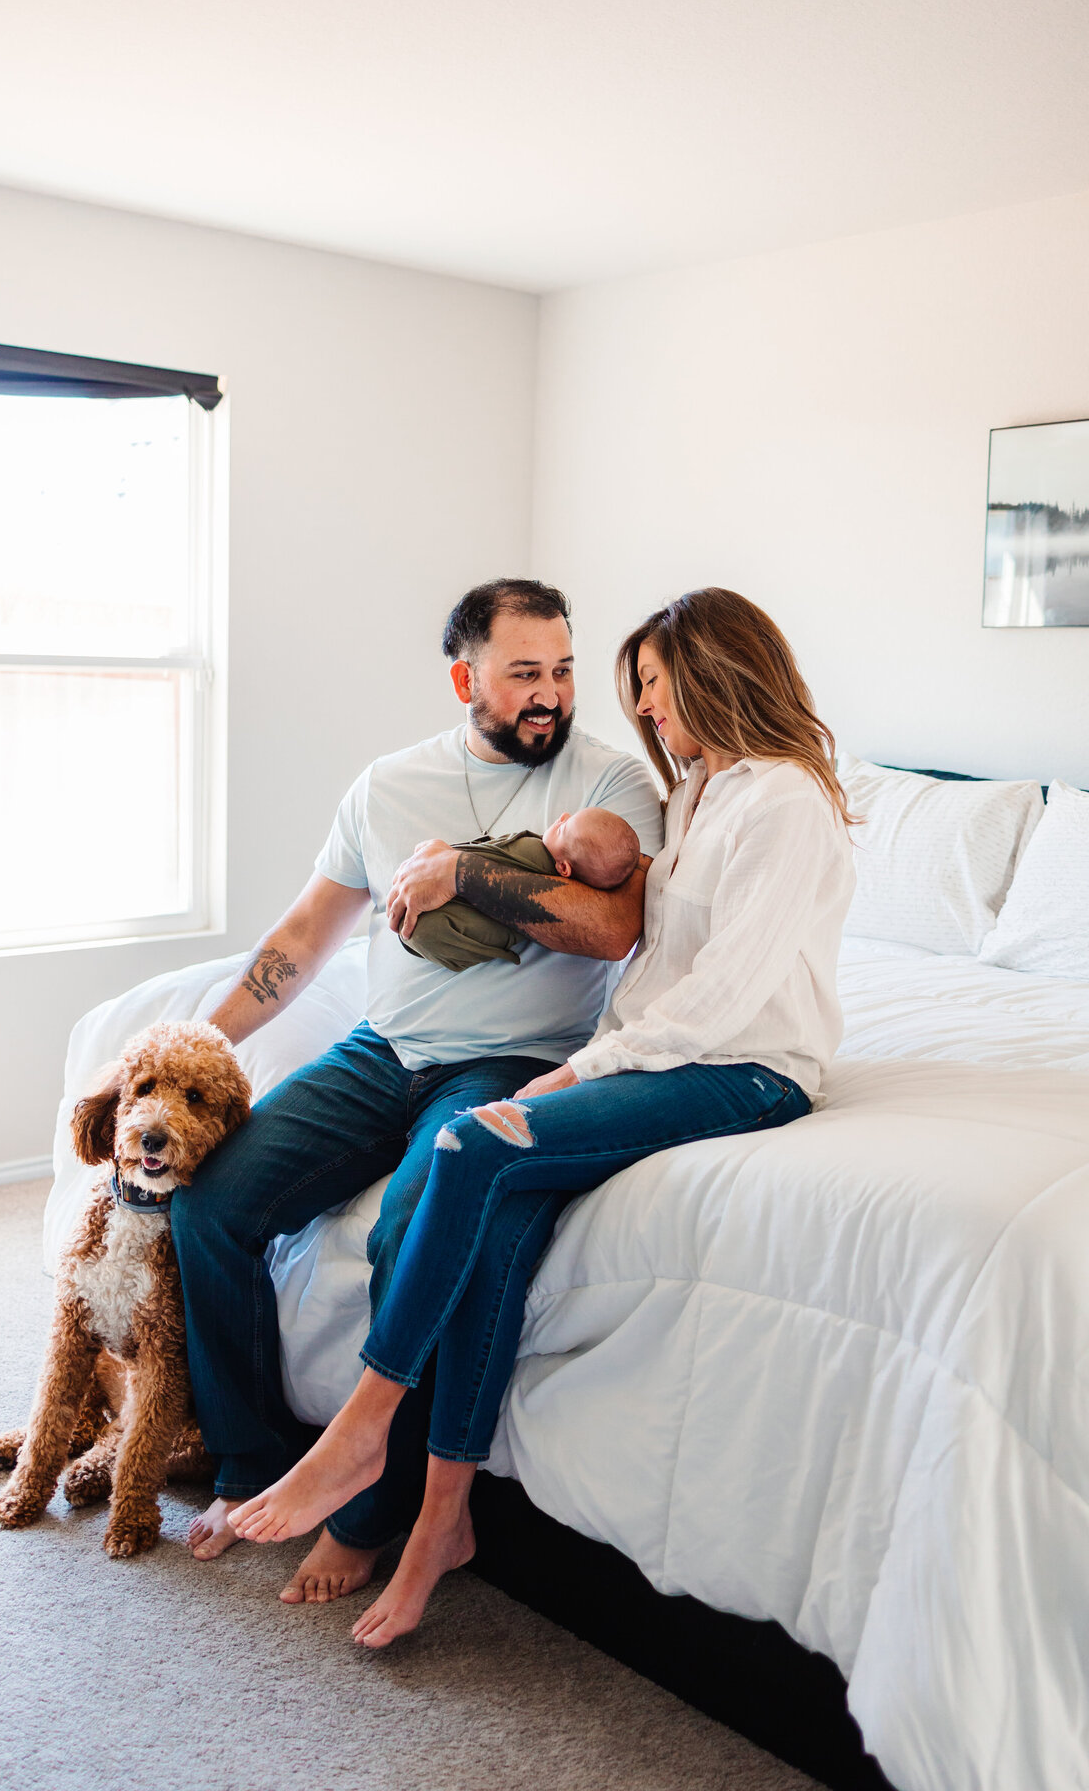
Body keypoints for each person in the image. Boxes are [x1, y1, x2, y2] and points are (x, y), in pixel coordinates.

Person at [226, 586, 858, 1647]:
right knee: (503, 1206)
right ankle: (442, 1522)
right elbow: (658, 953)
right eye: (642, 697)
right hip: (668, 1053)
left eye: (656, 691)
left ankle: (364, 1428)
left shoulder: (786, 802)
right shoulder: (704, 792)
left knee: (478, 1143)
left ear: (713, 676)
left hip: (750, 1071)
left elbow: (721, 999)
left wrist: (578, 1073)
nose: (649, 716)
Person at [173, 577, 664, 1602]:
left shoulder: (611, 783)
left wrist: (469, 876)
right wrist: (190, 1040)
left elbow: (617, 929)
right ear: (464, 678)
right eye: (525, 673)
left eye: (564, 671)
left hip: (513, 1063)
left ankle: (370, 1508)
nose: (552, 694)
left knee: (410, 1226)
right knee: (212, 1203)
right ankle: (253, 1462)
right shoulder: (388, 784)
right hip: (381, 1050)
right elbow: (306, 936)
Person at [403, 808, 641, 971]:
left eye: (564, 827)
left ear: (564, 868)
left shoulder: (532, 851)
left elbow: (467, 856)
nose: (563, 815)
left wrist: (449, 860)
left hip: (421, 920)